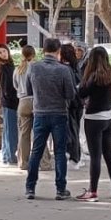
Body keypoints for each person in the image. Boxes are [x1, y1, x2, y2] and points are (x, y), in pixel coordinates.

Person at [24, 38, 76, 200]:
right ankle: (61, 189)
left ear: (43, 50)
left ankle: (30, 188)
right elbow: (70, 94)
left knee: (36, 151)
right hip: (59, 113)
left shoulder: (33, 68)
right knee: (60, 152)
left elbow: (28, 89)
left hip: (39, 113)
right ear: (58, 51)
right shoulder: (63, 70)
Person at [75, 47, 111, 201]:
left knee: (95, 156)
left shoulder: (93, 76)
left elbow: (81, 93)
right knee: (108, 154)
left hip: (93, 119)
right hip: (109, 119)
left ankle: (93, 191)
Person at [61, 41, 84, 169]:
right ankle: (76, 155)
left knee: (72, 130)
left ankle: (74, 157)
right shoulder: (76, 67)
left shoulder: (66, 69)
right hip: (78, 103)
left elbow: (69, 89)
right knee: (75, 129)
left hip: (71, 103)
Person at [15, 45, 36, 170]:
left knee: (24, 134)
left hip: (22, 101)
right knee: (39, 133)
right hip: (35, 100)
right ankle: (44, 162)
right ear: (33, 54)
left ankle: (23, 162)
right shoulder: (35, 68)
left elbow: (15, 85)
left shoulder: (17, 69)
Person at [0, 45, 19, 165]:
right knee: (10, 131)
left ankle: (7, 155)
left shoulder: (10, 65)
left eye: (4, 51)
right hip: (10, 102)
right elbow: (6, 88)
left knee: (8, 130)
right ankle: (9, 156)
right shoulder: (3, 68)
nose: (3, 54)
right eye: (0, 52)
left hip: (10, 101)